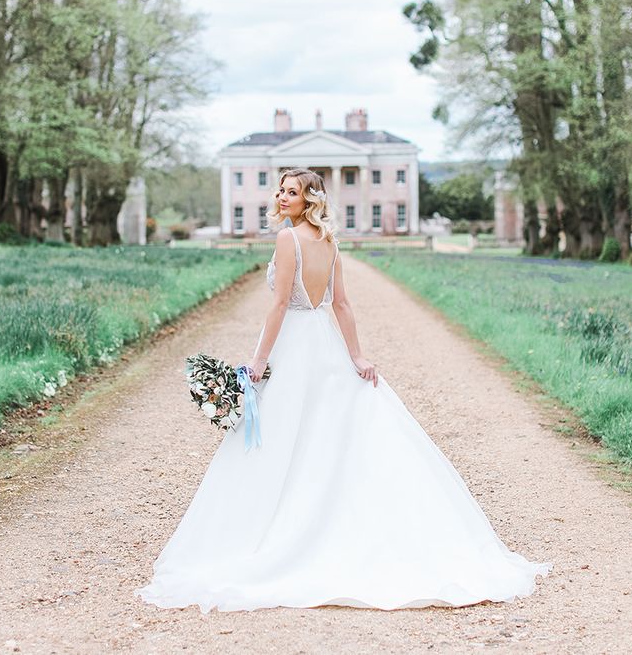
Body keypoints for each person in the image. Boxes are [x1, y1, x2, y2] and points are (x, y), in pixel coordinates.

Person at [135, 168, 551, 613]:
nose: (281, 197)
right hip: (325, 342)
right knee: (322, 431)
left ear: (309, 198)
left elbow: (279, 305)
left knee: (282, 437)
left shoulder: (288, 240)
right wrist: (354, 356)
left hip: (295, 342)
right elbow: (341, 304)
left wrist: (258, 362)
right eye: (281, 190)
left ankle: (281, 528)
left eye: (291, 192)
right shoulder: (329, 242)